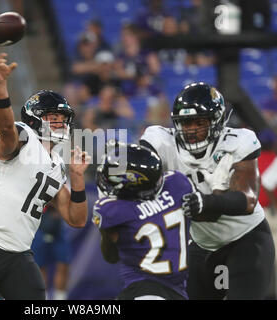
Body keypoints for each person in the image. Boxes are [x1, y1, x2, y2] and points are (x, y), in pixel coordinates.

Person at [0, 53, 90, 300]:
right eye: (52, 118)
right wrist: (0, 89)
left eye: (62, 119)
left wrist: (77, 180)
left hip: (19, 254)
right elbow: (6, 129)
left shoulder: (57, 164)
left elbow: (76, 219)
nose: (59, 124)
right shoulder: (24, 137)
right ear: (35, 119)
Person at [139, 82, 275, 299]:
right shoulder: (162, 141)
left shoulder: (238, 141)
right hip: (202, 244)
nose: (191, 130)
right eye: (186, 123)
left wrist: (209, 201)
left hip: (245, 239)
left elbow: (248, 199)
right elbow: (138, 163)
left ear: (217, 121)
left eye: (199, 122)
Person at [93, 142, 197, 299]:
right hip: (177, 292)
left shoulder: (113, 210)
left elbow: (111, 257)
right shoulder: (177, 184)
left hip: (143, 290)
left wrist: (106, 233)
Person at [31, 205, 72, 300]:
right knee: (40, 268)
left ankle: (60, 298)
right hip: (39, 225)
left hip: (59, 227)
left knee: (64, 265)